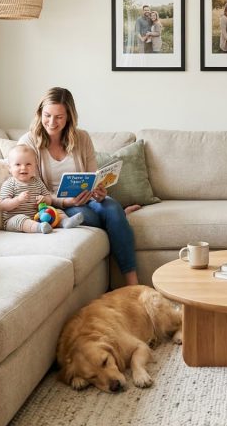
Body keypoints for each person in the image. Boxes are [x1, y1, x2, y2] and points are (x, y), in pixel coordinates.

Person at [19, 87, 141, 286]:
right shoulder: (29, 142)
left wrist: (100, 192)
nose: (52, 122)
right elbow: (33, 188)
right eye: (47, 115)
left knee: (109, 206)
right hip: (57, 205)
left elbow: (94, 175)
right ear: (40, 113)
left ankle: (133, 284)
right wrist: (64, 201)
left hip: (88, 198)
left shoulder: (82, 138)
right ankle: (119, 218)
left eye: (59, 117)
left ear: (69, 117)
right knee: (92, 217)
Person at [0, 144, 84, 234]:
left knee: (56, 211)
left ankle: (65, 222)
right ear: (10, 168)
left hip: (38, 217)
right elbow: (2, 205)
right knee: (20, 219)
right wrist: (18, 200)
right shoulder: (9, 184)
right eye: (18, 164)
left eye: (28, 164)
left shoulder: (37, 182)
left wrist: (44, 199)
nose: (23, 167)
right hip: (14, 219)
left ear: (35, 166)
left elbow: (49, 199)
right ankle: (39, 228)